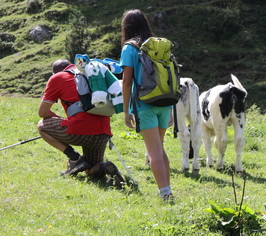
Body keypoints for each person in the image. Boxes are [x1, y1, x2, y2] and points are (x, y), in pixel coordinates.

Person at [37, 59, 124, 186]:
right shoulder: (91, 74)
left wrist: (61, 119)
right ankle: (104, 167)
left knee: (41, 126)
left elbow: (43, 113)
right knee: (90, 170)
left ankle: (74, 158)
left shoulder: (57, 78)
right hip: (102, 133)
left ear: (55, 72)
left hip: (79, 130)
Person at [119, 9, 173, 200]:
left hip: (145, 105)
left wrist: (126, 111)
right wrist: (172, 110)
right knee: (160, 149)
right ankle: (168, 190)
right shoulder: (158, 45)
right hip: (165, 103)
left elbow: (126, 82)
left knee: (153, 152)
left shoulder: (130, 48)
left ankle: (165, 194)